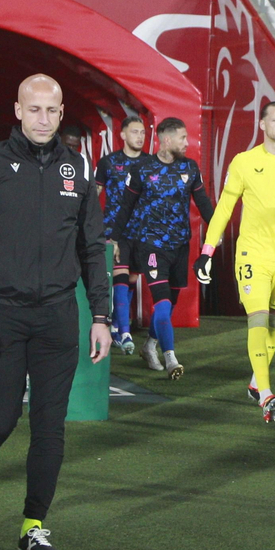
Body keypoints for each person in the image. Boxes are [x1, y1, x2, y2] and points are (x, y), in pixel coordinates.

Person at [0, 75, 112, 550]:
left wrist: (100, 315)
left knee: (49, 426)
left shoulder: (78, 166)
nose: (43, 119)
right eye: (34, 109)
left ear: (62, 114)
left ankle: (33, 526)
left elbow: (93, 247)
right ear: (17, 110)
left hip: (58, 316)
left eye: (52, 110)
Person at [194, 102, 275, 421]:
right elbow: (224, 208)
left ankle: (255, 381)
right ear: (262, 124)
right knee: (258, 319)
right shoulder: (244, 162)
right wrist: (207, 251)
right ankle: (265, 393)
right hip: (253, 253)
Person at [117, 117, 214, 380]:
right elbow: (126, 206)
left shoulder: (190, 168)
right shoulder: (142, 169)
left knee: (170, 303)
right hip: (150, 246)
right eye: (183, 138)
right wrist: (114, 239)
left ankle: (150, 346)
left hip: (180, 246)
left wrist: (218, 234)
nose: (187, 142)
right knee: (161, 304)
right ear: (167, 139)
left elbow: (203, 204)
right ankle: (171, 358)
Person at [97, 115, 151, 357]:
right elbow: (94, 194)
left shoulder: (151, 163)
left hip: (141, 231)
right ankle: (126, 332)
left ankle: (118, 326)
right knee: (119, 276)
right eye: (135, 132)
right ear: (122, 135)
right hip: (114, 231)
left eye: (142, 132)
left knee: (131, 278)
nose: (139, 136)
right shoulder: (108, 162)